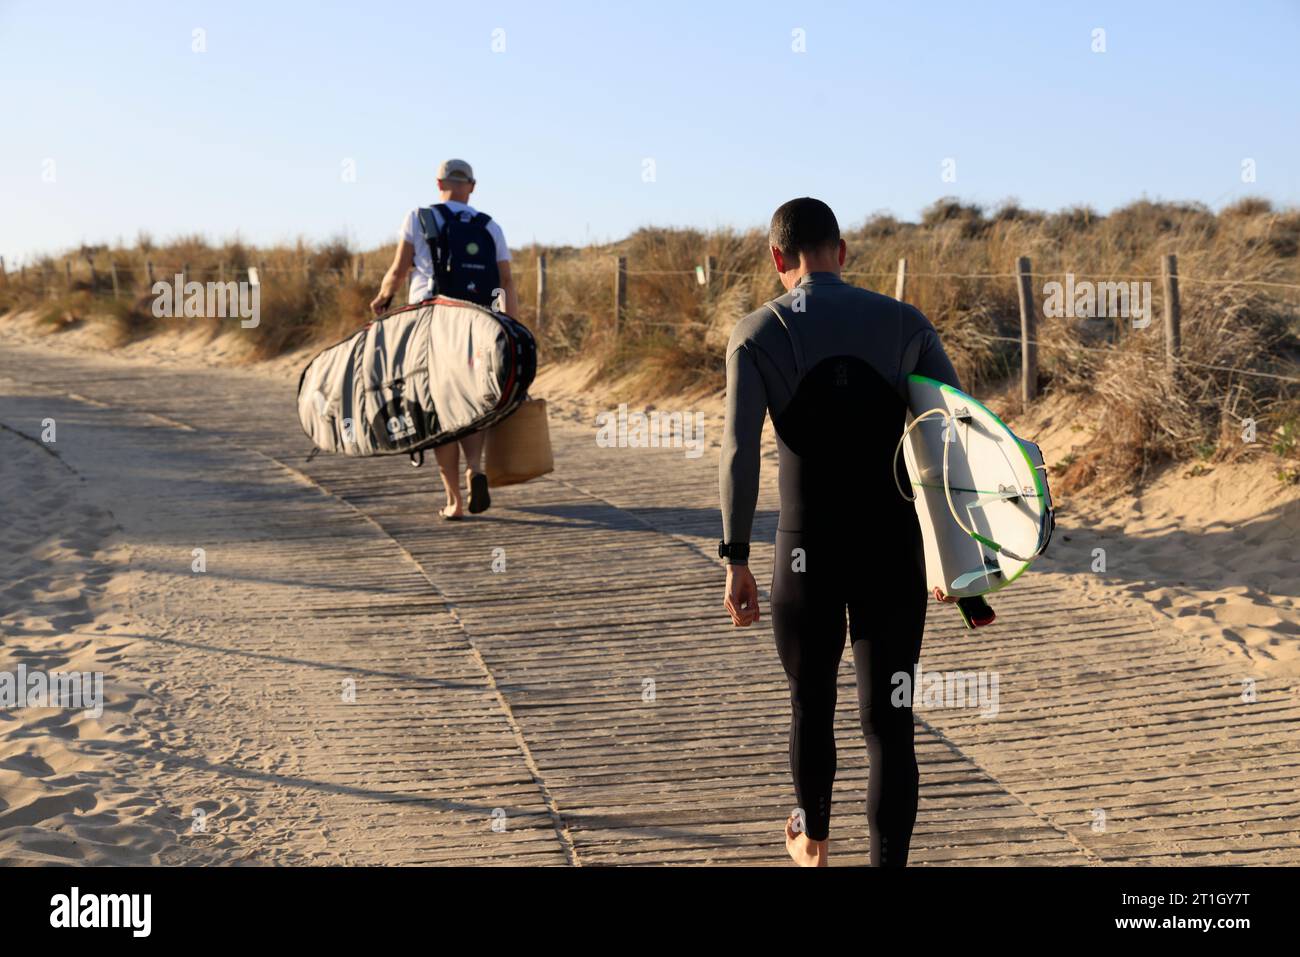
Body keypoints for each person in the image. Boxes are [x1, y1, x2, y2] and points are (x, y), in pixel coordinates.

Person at [718, 197, 961, 867]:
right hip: (893, 549)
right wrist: (963, 570)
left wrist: (735, 557)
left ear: (778, 260)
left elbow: (739, 453)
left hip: (804, 552)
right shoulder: (906, 322)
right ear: (842, 252)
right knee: (890, 722)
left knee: (810, 701)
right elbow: (953, 443)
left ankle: (814, 838)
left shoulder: (756, 331)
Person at [370, 158, 519, 520]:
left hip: (431, 325)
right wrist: (511, 326)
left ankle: (454, 501)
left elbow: (398, 270)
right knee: (469, 400)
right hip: (477, 324)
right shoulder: (490, 226)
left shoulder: (419, 218)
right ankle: (476, 468)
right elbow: (506, 283)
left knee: (439, 407)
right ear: (471, 186)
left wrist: (382, 299)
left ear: (439, 184)